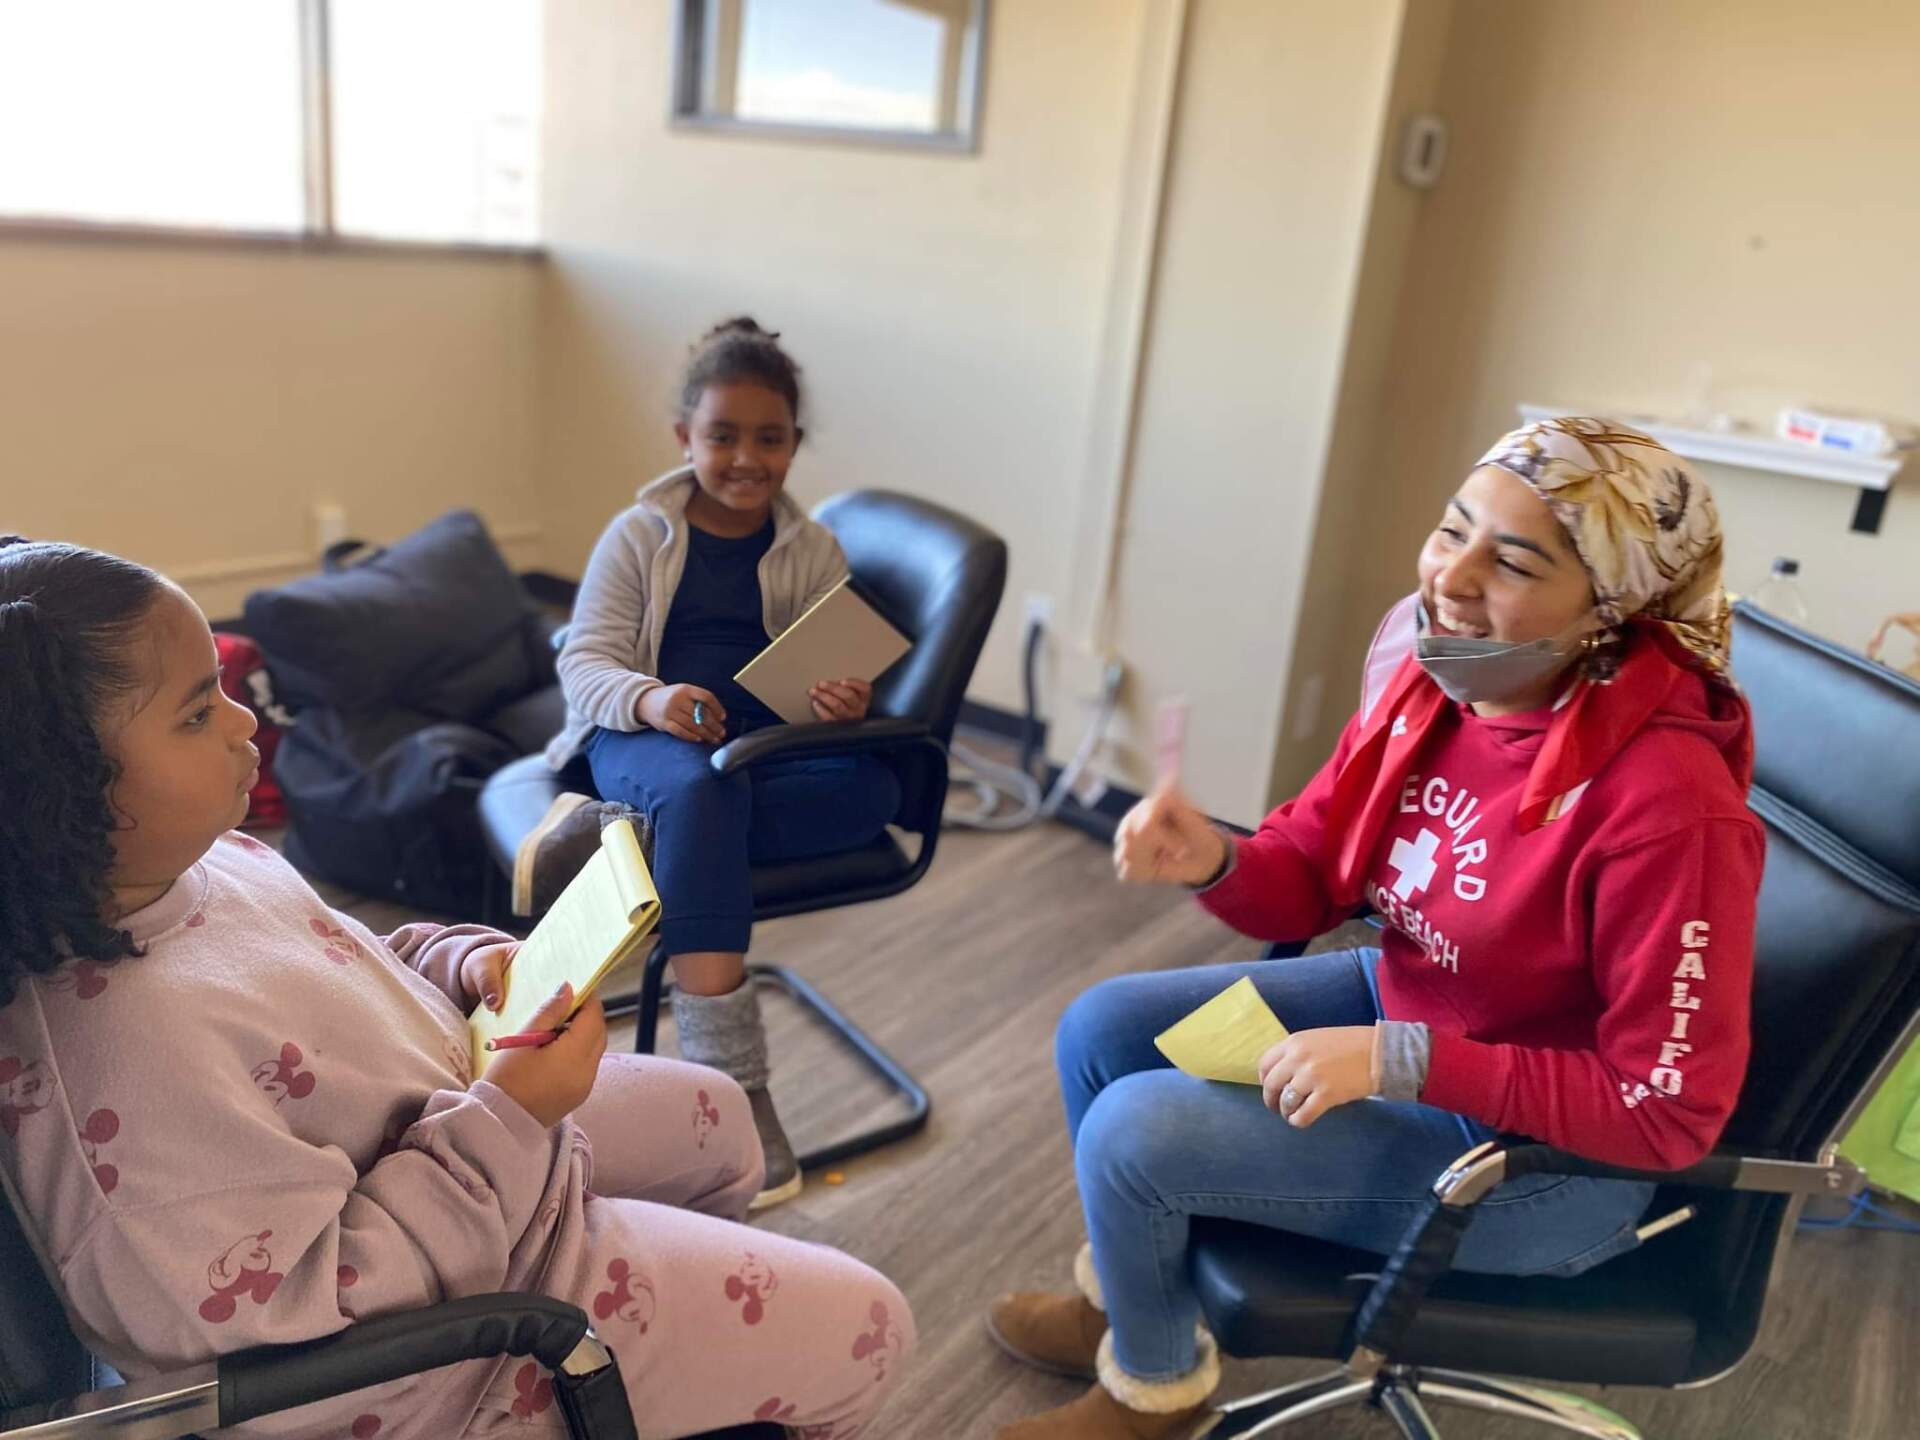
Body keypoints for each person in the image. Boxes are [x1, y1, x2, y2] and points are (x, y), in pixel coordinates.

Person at [0, 537, 914, 1440]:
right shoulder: (127, 1081)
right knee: (875, 1331)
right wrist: (510, 1121)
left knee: (721, 1120)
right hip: (470, 1349)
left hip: (475, 1148)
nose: (247, 723)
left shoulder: (201, 860)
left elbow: (343, 961)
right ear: (61, 789)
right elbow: (303, 1343)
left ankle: (677, 1377)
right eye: (199, 713)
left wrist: (453, 963)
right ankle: (636, 1369)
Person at [987, 418, 1763, 1439]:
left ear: (1612, 611)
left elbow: (1666, 1114)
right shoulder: (1441, 678)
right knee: (1103, 1028)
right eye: (1453, 530)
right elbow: (1310, 877)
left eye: (1514, 561)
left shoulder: (1669, 808)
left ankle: (1150, 1393)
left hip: (1536, 1168)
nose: (1453, 576)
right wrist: (1216, 858)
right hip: (1427, 1012)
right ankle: (1134, 1309)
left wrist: (1402, 1059)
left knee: (1139, 1131)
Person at [519, 318, 901, 1210]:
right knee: (700, 792)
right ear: (683, 438)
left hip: (756, 748)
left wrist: (841, 702)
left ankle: (639, 837)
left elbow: (825, 675)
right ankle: (736, 1083)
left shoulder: (815, 552)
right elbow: (585, 664)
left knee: (871, 787)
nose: (745, 458)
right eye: (722, 436)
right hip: (644, 734)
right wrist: (653, 701)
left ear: (794, 445)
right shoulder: (636, 536)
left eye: (769, 439)